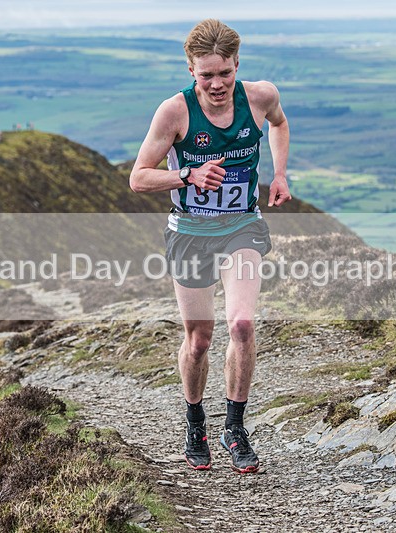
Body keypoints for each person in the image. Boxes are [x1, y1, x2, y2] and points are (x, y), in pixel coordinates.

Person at [129, 19, 291, 473]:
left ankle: (235, 427)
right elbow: (139, 178)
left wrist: (278, 174)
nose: (218, 84)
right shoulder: (174, 112)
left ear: (237, 64)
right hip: (190, 233)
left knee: (241, 324)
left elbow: (279, 125)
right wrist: (186, 175)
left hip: (242, 227)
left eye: (225, 73)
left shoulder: (260, 97)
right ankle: (195, 420)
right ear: (191, 70)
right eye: (207, 76)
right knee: (199, 339)